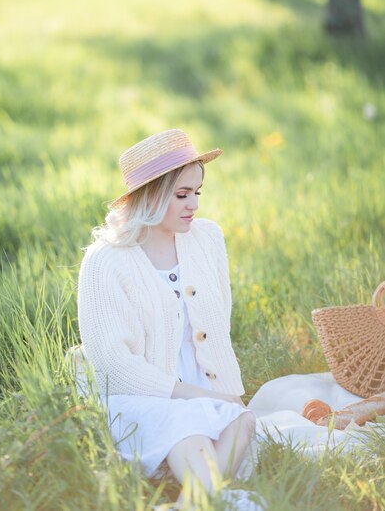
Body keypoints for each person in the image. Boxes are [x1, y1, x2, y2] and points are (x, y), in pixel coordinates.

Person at [77, 129, 263, 510]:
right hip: (140, 395)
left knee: (243, 422)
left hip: (200, 388)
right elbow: (114, 366)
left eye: (197, 192)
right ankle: (209, 499)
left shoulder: (207, 238)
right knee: (188, 426)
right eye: (181, 195)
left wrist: (224, 392)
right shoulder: (104, 262)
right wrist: (196, 396)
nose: (193, 204)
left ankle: (193, 502)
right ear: (151, 195)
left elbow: (218, 326)